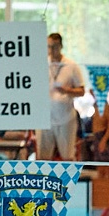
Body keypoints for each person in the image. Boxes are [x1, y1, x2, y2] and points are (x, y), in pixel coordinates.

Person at [40, 31, 84, 161]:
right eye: (49, 46)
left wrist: (67, 91)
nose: (51, 50)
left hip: (66, 118)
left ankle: (69, 175)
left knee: (67, 156)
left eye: (54, 46)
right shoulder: (41, 64)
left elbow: (81, 91)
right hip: (45, 118)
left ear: (61, 46)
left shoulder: (71, 65)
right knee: (43, 157)